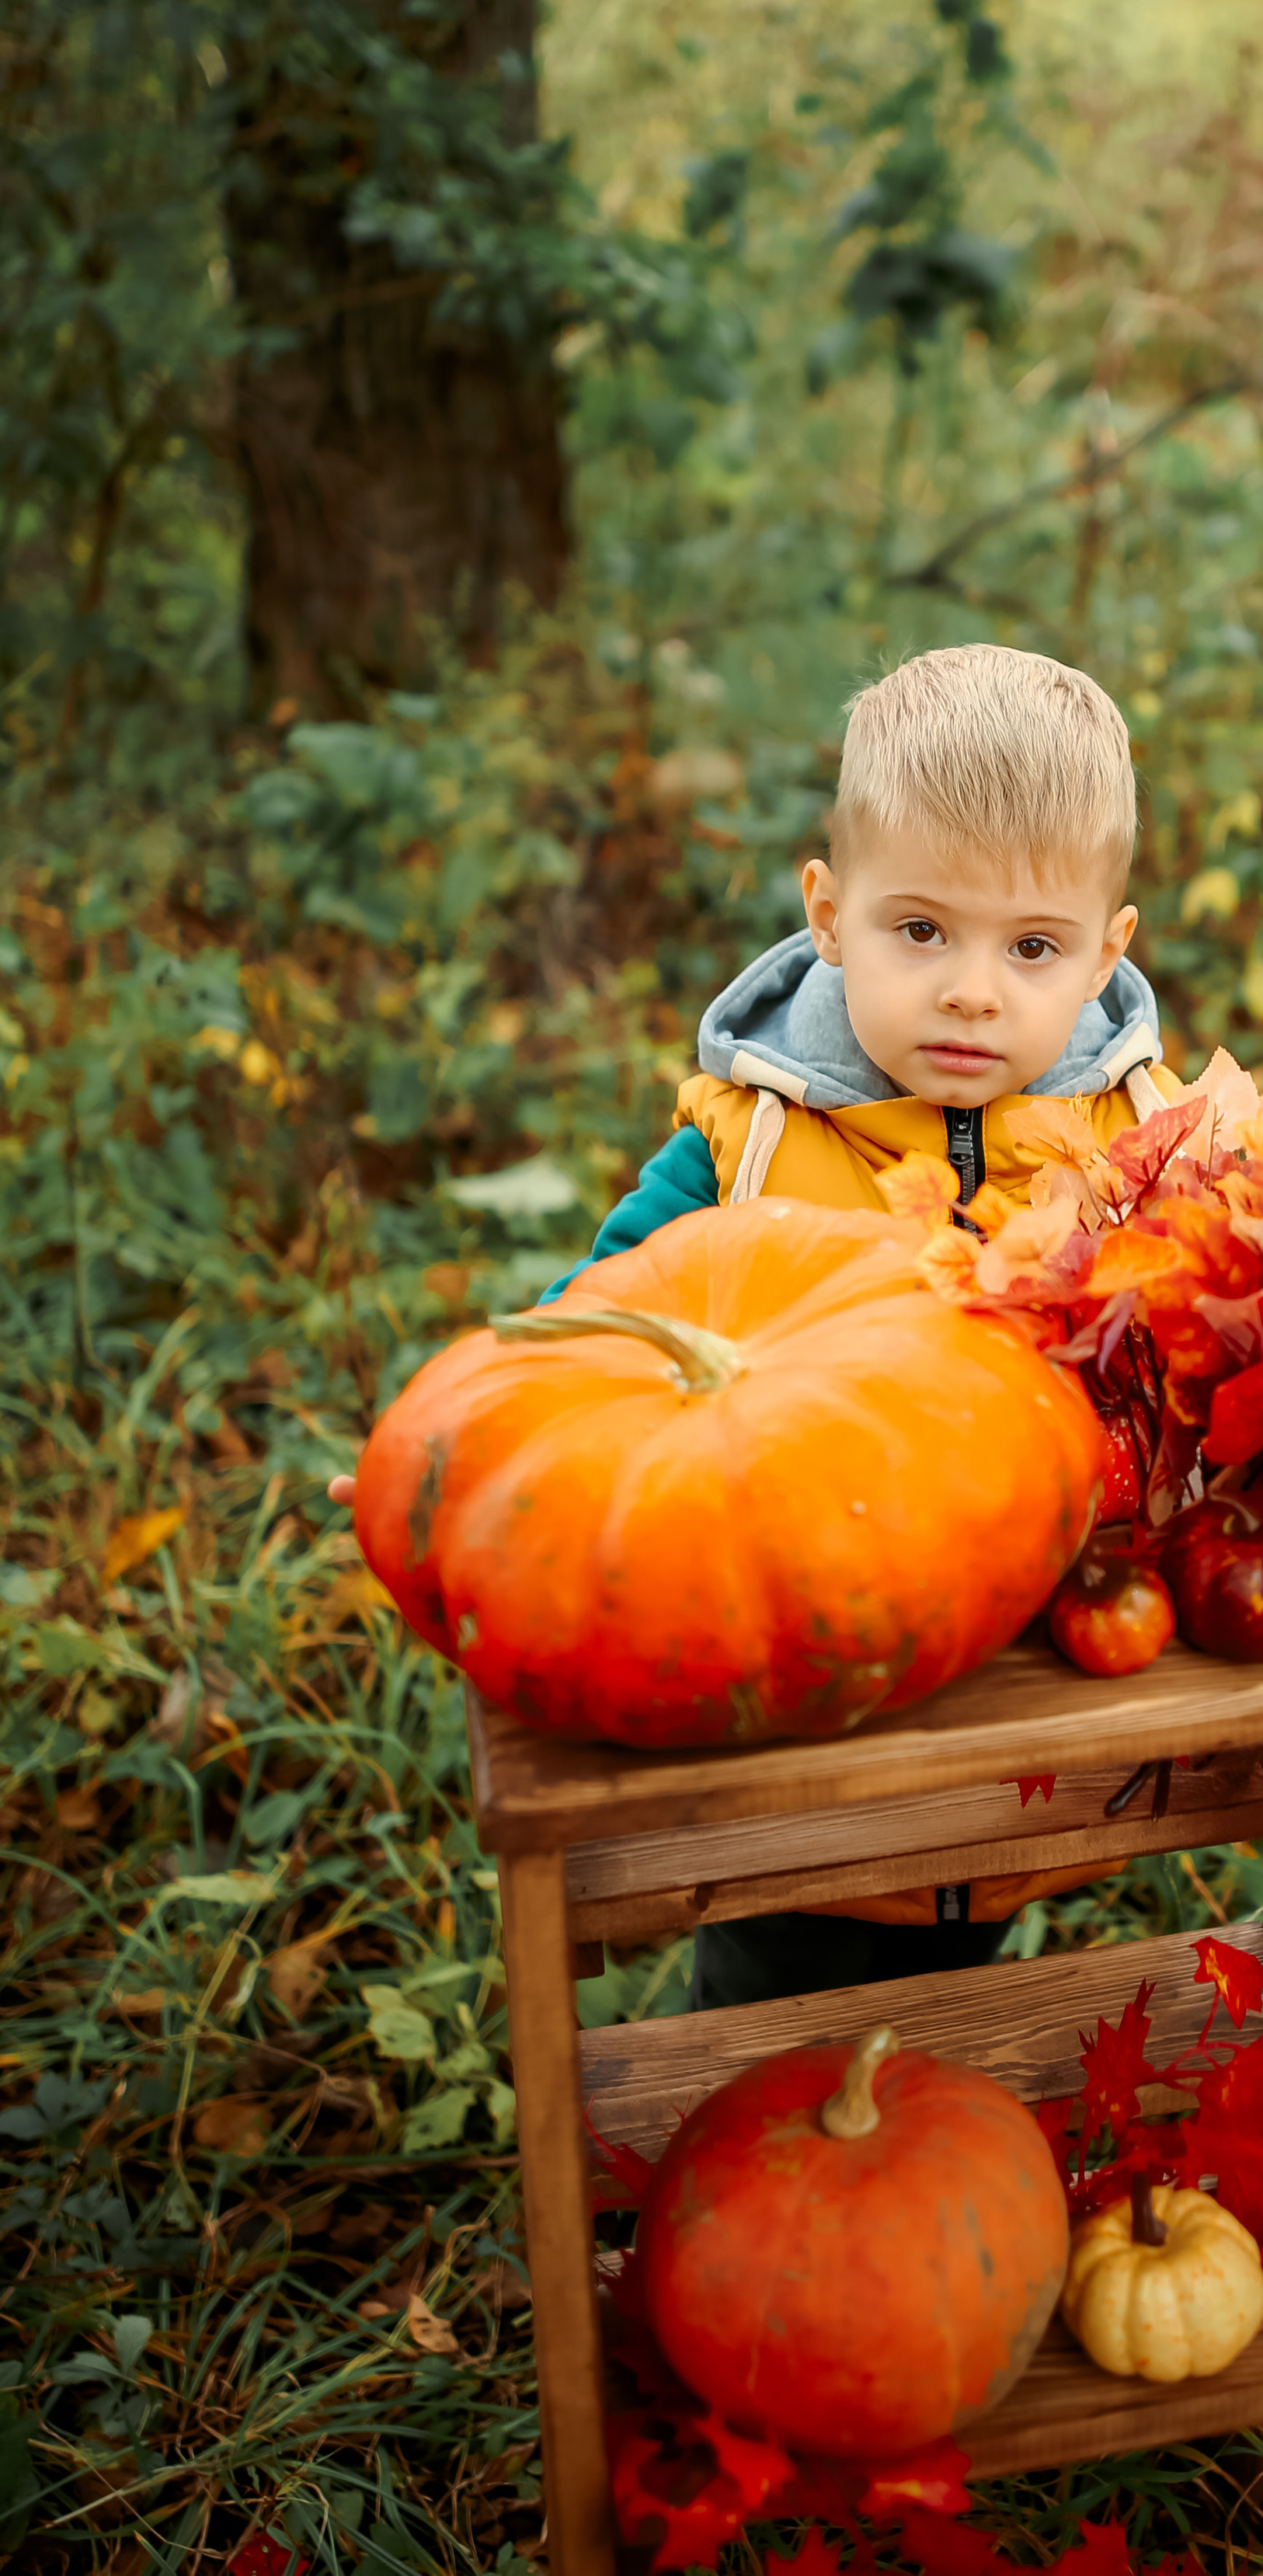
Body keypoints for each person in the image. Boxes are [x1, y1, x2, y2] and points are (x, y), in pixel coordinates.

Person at [333, 643, 1178, 2010]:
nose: (972, 990)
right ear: (830, 914)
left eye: (1031, 948)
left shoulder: (1145, 1153)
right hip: (779, 1618)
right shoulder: (748, 1144)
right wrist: (473, 1453)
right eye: (922, 932)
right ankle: (730, 2118)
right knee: (778, 1951)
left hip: (1015, 1659)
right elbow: (600, 1322)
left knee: (959, 1949)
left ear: (1106, 954)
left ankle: (931, 2079)